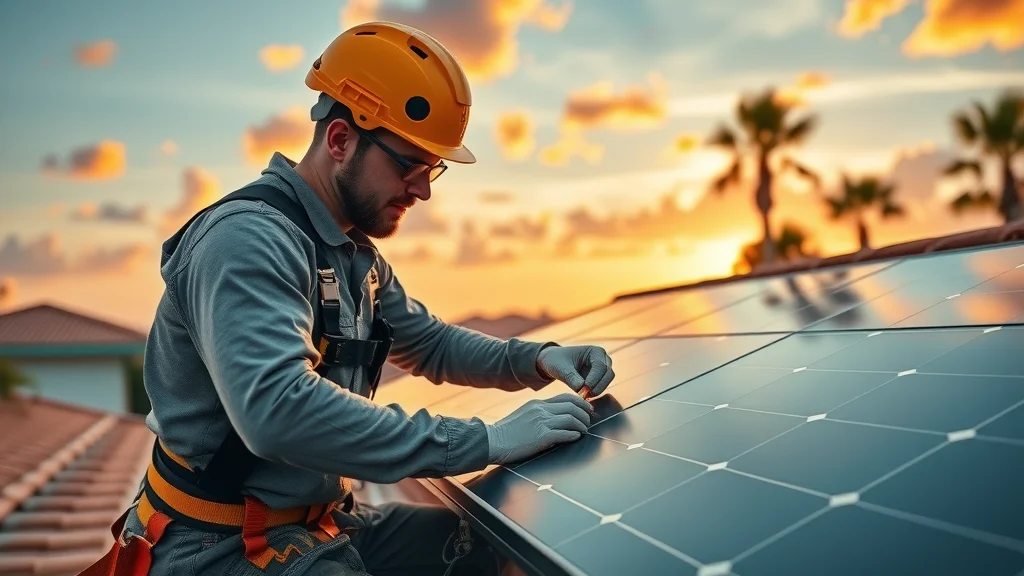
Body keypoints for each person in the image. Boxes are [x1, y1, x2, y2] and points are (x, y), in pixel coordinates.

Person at [79, 20, 615, 576]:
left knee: (491, 548)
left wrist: (533, 358)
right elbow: (277, 409)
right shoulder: (246, 240)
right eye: (409, 164)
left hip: (319, 522)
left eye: (432, 169)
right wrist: (484, 441)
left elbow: (427, 344)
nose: (424, 188)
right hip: (220, 543)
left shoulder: (351, 253)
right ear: (340, 141)